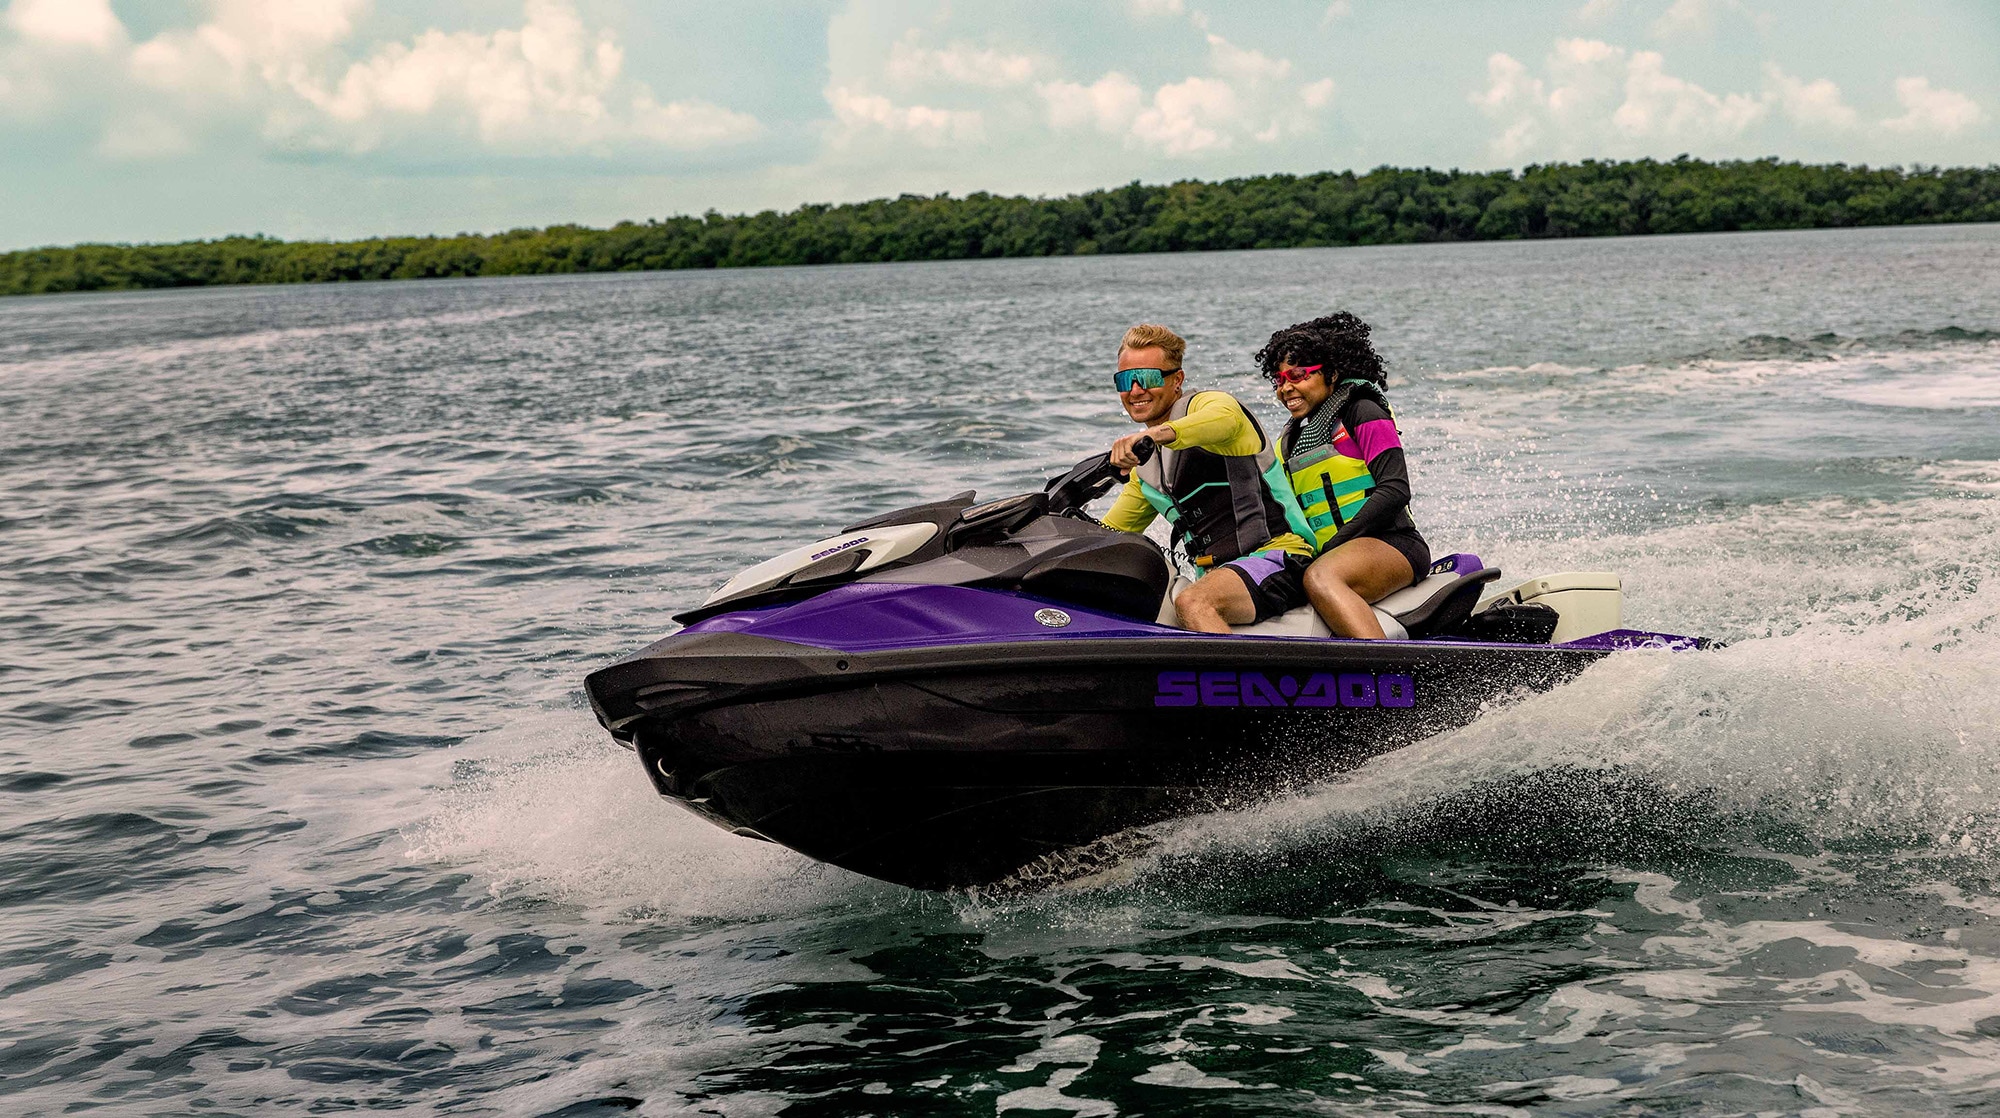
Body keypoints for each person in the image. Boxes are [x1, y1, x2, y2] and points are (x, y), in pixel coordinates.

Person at [1099, 323, 1318, 634]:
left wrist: (1155, 435)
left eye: (1148, 378)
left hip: (1280, 558)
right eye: (1125, 380)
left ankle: (1241, 682)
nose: (1135, 390)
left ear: (1177, 380)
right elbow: (1110, 534)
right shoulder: (1144, 472)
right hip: (1220, 577)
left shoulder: (1208, 406)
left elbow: (1225, 419)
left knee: (1192, 603)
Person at [1258, 312, 1429, 639]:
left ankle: (1386, 670)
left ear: (1332, 374)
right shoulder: (1290, 441)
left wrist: (1336, 544)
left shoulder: (1363, 411)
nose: (1286, 388)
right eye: (1279, 380)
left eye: (1298, 375)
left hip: (1393, 543)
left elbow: (1395, 489)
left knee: (1321, 578)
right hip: (1334, 554)